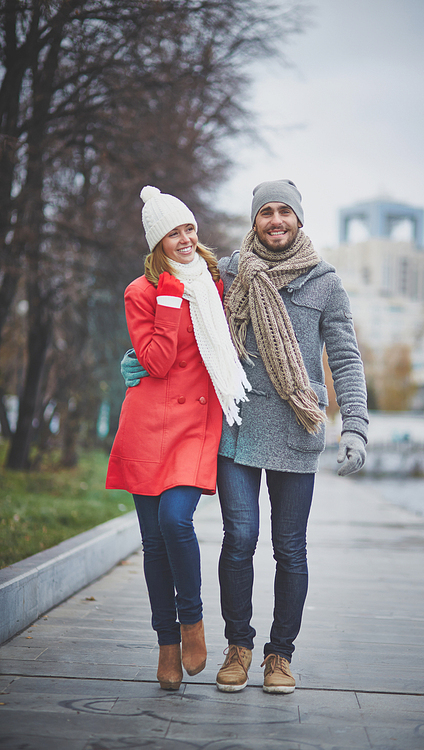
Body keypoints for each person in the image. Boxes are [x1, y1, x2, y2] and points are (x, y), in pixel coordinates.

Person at [121, 179, 368, 695]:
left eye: (285, 212)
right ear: (253, 220)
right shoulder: (229, 271)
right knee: (240, 540)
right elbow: (190, 316)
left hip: (298, 429)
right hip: (237, 428)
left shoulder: (325, 283)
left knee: (290, 549)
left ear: (299, 219)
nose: (275, 220)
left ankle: (280, 655)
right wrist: (133, 359)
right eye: (265, 213)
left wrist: (355, 426)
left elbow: (345, 356)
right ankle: (239, 646)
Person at [107, 185, 250, 692]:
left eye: (189, 228)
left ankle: (192, 620)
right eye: (174, 233)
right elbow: (157, 360)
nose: (186, 238)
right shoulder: (140, 292)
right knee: (152, 544)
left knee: (174, 520)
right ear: (157, 243)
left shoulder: (217, 284)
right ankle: (167, 643)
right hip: (147, 425)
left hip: (195, 424)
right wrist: (169, 299)